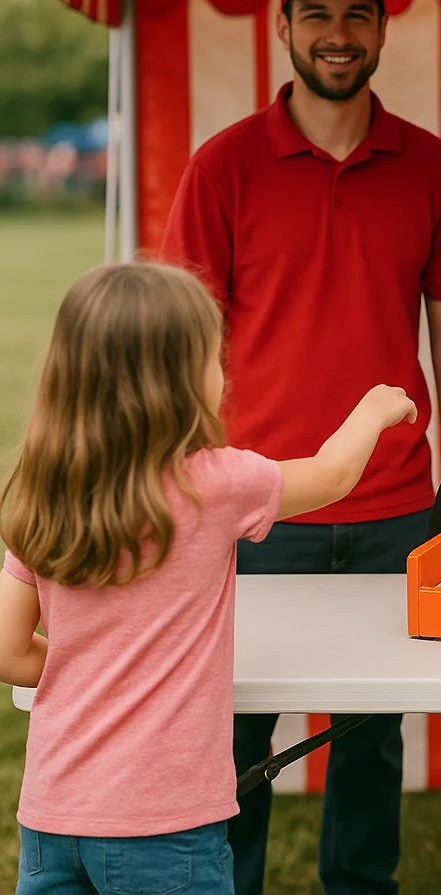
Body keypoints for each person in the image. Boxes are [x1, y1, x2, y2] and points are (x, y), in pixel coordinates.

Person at [159, 0, 441, 894]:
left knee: (371, 735)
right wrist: (187, 485)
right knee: (231, 733)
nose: (337, 35)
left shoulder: (431, 166)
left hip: (396, 506)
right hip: (252, 505)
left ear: (383, 29)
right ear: (282, 28)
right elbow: (186, 342)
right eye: (317, 15)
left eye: (356, 15)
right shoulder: (223, 167)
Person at [0, 262, 416, 894]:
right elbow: (331, 476)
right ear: (180, 380)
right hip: (165, 829)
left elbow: (7, 650)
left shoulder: (38, 488)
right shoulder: (215, 484)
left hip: (52, 819)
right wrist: (374, 408)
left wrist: (88, 674)